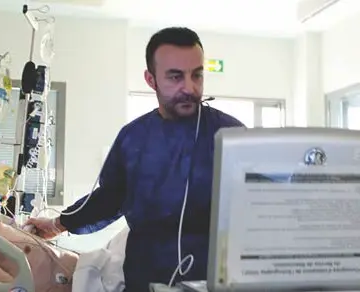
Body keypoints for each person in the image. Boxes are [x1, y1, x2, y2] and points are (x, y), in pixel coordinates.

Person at [25, 27, 246, 291]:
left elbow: (264, 202)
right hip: (146, 278)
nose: (189, 87)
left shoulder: (230, 136)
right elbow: (108, 200)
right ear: (151, 80)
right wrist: (57, 223)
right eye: (175, 77)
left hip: (216, 281)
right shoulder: (134, 139)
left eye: (196, 75)